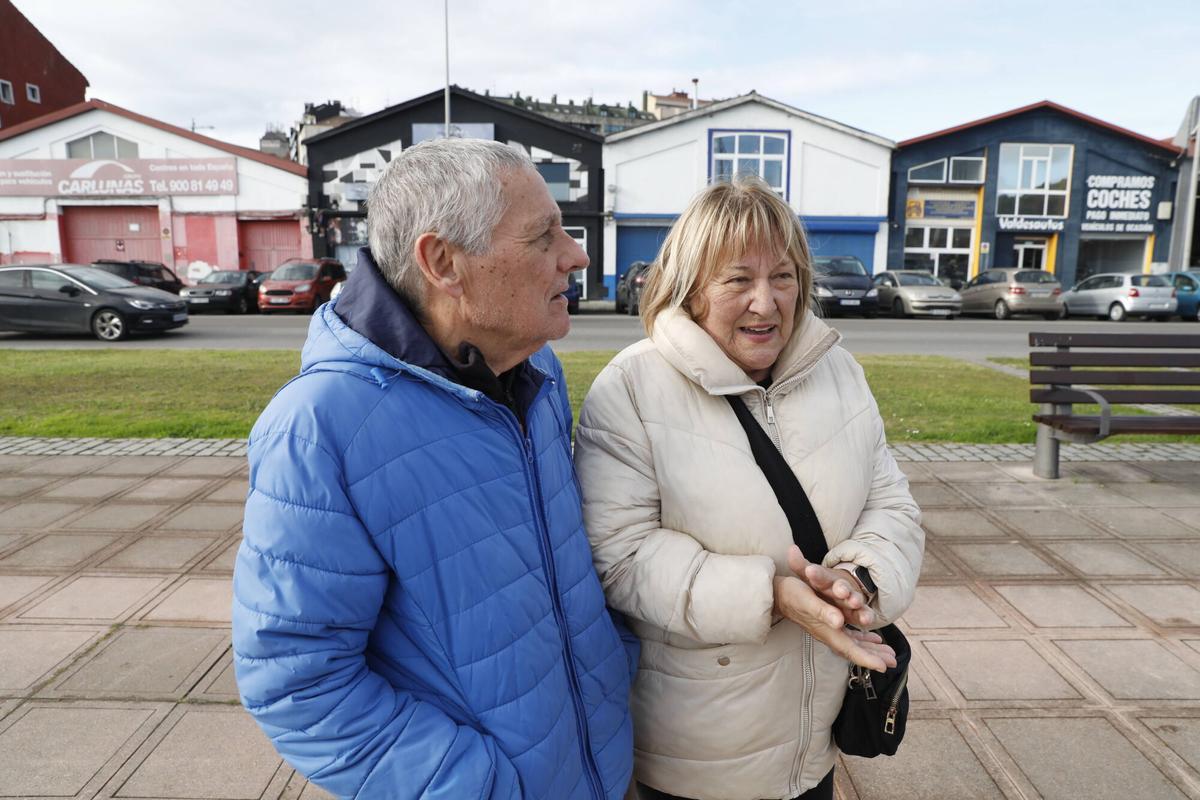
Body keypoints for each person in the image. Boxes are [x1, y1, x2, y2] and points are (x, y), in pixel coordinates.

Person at [232, 138, 637, 800]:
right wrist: (478, 787)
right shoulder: (321, 426)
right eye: (544, 237)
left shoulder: (533, 371)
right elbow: (297, 682)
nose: (577, 255)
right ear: (443, 262)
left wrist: (612, 675)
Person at [574, 175, 924, 800]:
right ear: (690, 288)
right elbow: (619, 556)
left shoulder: (837, 370)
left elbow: (889, 502)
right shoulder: (630, 388)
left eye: (783, 277)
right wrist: (770, 594)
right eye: (738, 280)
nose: (766, 303)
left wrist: (860, 577)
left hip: (814, 740)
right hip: (696, 753)